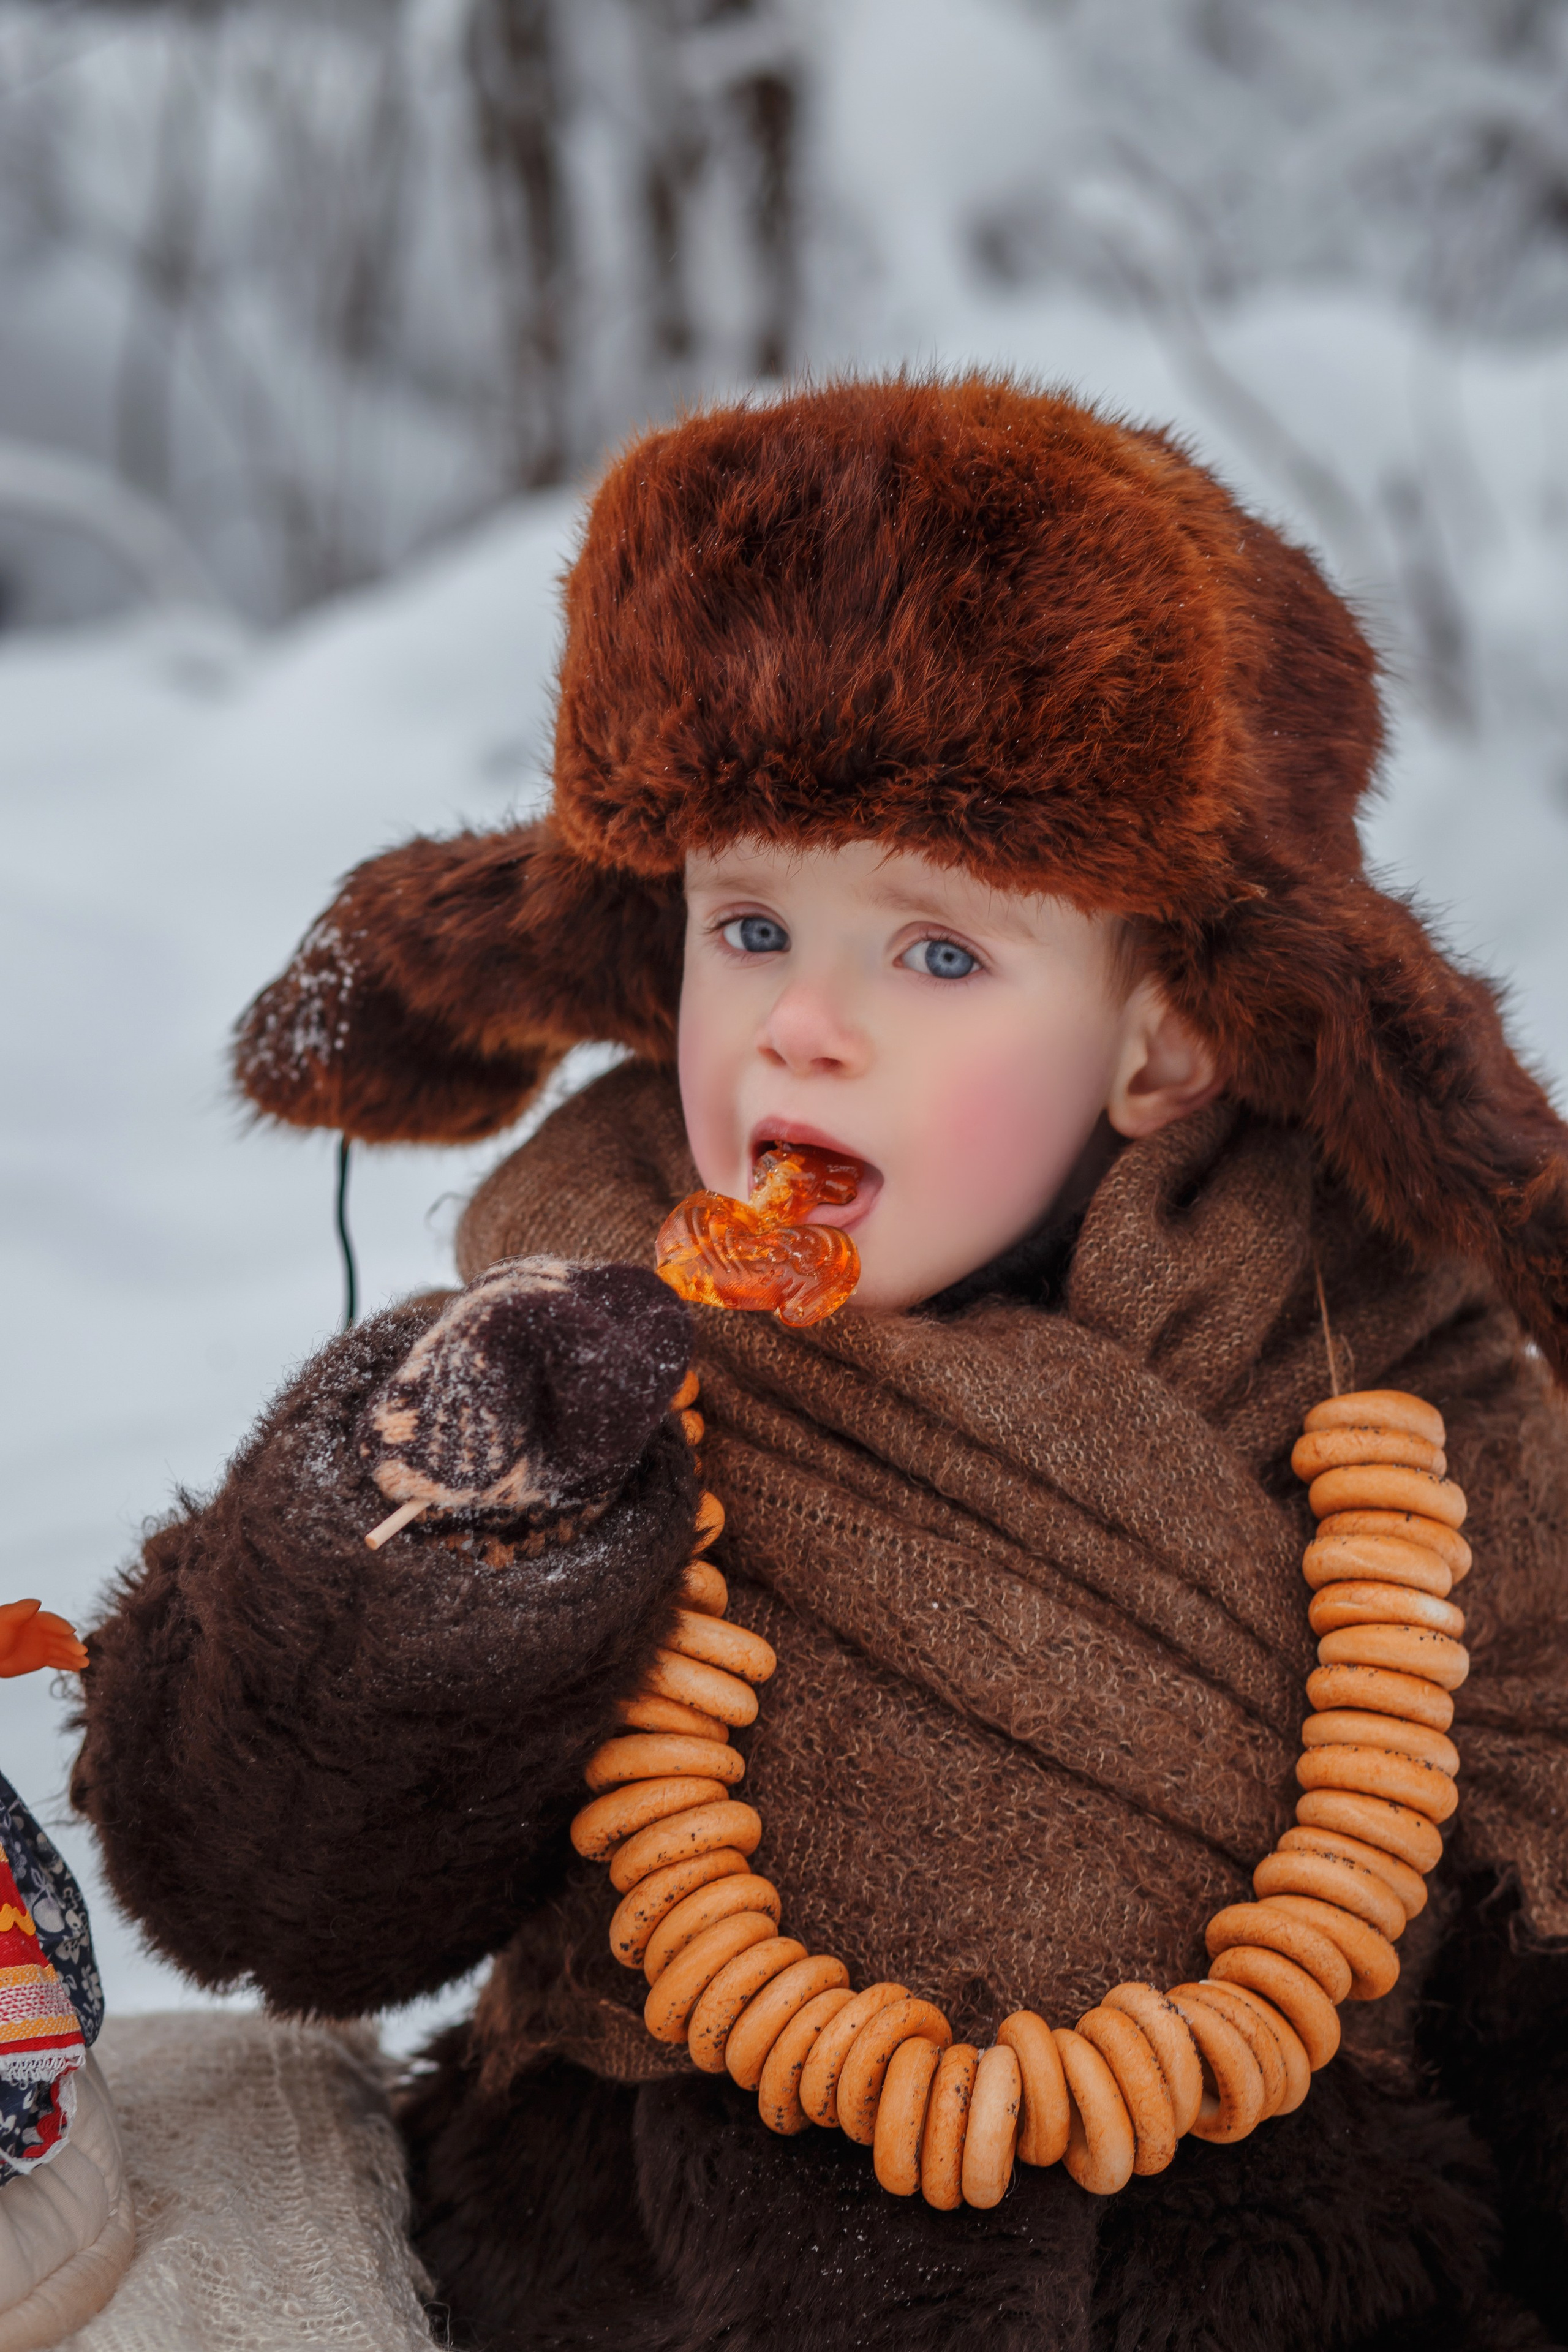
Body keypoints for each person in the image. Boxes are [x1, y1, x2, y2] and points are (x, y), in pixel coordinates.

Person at [72, 377, 1568, 2352]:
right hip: (636, 2269)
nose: (802, 1030)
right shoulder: (552, 1341)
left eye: (936, 955)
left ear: (1170, 1040)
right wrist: (414, 1560)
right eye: (753, 923)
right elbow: (272, 1892)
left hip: (1273, 2267)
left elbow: (1532, 1838)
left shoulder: (1385, 1367)